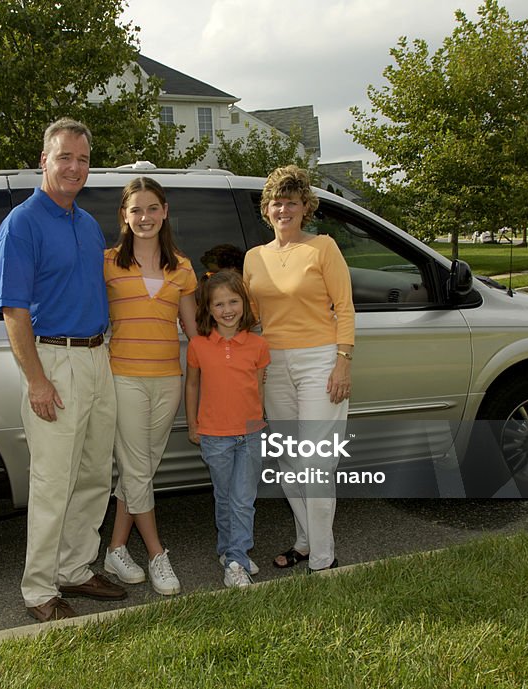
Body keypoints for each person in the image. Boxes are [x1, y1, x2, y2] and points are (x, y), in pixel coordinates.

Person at [0, 118, 126, 622]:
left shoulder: (87, 224)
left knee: (94, 473)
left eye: (83, 159)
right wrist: (36, 380)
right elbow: (14, 311)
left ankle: (75, 567)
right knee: (53, 481)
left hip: (97, 357)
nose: (74, 167)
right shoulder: (22, 223)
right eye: (64, 157)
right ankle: (39, 591)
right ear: (44, 161)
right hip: (54, 360)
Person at [242, 164, 354, 574]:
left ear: (305, 207)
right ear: (266, 210)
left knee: (316, 460)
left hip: (321, 361)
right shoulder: (255, 258)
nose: (283, 209)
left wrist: (343, 362)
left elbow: (344, 308)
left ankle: (324, 559)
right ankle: (306, 543)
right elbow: (252, 317)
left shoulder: (322, 247)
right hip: (275, 363)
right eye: (276, 202)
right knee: (288, 458)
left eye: (291, 202)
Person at [102, 177, 198, 596]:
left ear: (165, 211)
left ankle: (117, 548)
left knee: (142, 468)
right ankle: (158, 553)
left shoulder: (182, 267)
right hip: (123, 376)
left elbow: (193, 331)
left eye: (152, 208)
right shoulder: (106, 262)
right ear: (124, 216)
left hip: (168, 379)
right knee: (139, 468)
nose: (145, 217)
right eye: (136, 210)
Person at [184, 270, 270, 588]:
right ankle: (227, 550)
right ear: (208, 309)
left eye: (233, 301)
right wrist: (194, 425)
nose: (227, 309)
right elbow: (192, 386)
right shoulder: (198, 345)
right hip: (214, 436)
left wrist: (259, 423)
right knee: (224, 496)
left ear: (245, 305)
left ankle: (236, 560)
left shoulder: (258, 345)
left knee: (243, 499)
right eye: (219, 304)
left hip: (249, 434)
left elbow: (258, 390)